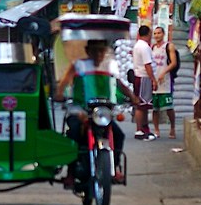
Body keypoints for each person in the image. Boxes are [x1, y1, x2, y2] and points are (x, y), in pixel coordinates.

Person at [56, 39, 137, 184]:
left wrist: (132, 97)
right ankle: (71, 172)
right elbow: (65, 81)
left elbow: (119, 83)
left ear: (105, 52)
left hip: (101, 111)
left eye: (101, 51)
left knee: (118, 135)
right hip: (80, 110)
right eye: (94, 51)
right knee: (73, 134)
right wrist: (60, 93)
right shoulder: (79, 65)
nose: (98, 54)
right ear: (88, 51)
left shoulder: (109, 66)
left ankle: (114, 167)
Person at [132, 24, 158, 140]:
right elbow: (148, 65)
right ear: (148, 34)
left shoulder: (138, 45)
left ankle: (144, 129)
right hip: (144, 77)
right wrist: (153, 79)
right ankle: (139, 130)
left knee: (144, 105)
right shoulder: (144, 47)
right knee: (142, 105)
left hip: (140, 76)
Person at [151, 26, 177, 139]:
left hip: (166, 81)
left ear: (163, 34)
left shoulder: (169, 46)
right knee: (155, 108)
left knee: (168, 107)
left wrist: (163, 73)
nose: (157, 35)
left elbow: (173, 62)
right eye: (155, 33)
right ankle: (156, 129)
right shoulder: (152, 48)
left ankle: (172, 128)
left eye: (159, 33)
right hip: (155, 81)